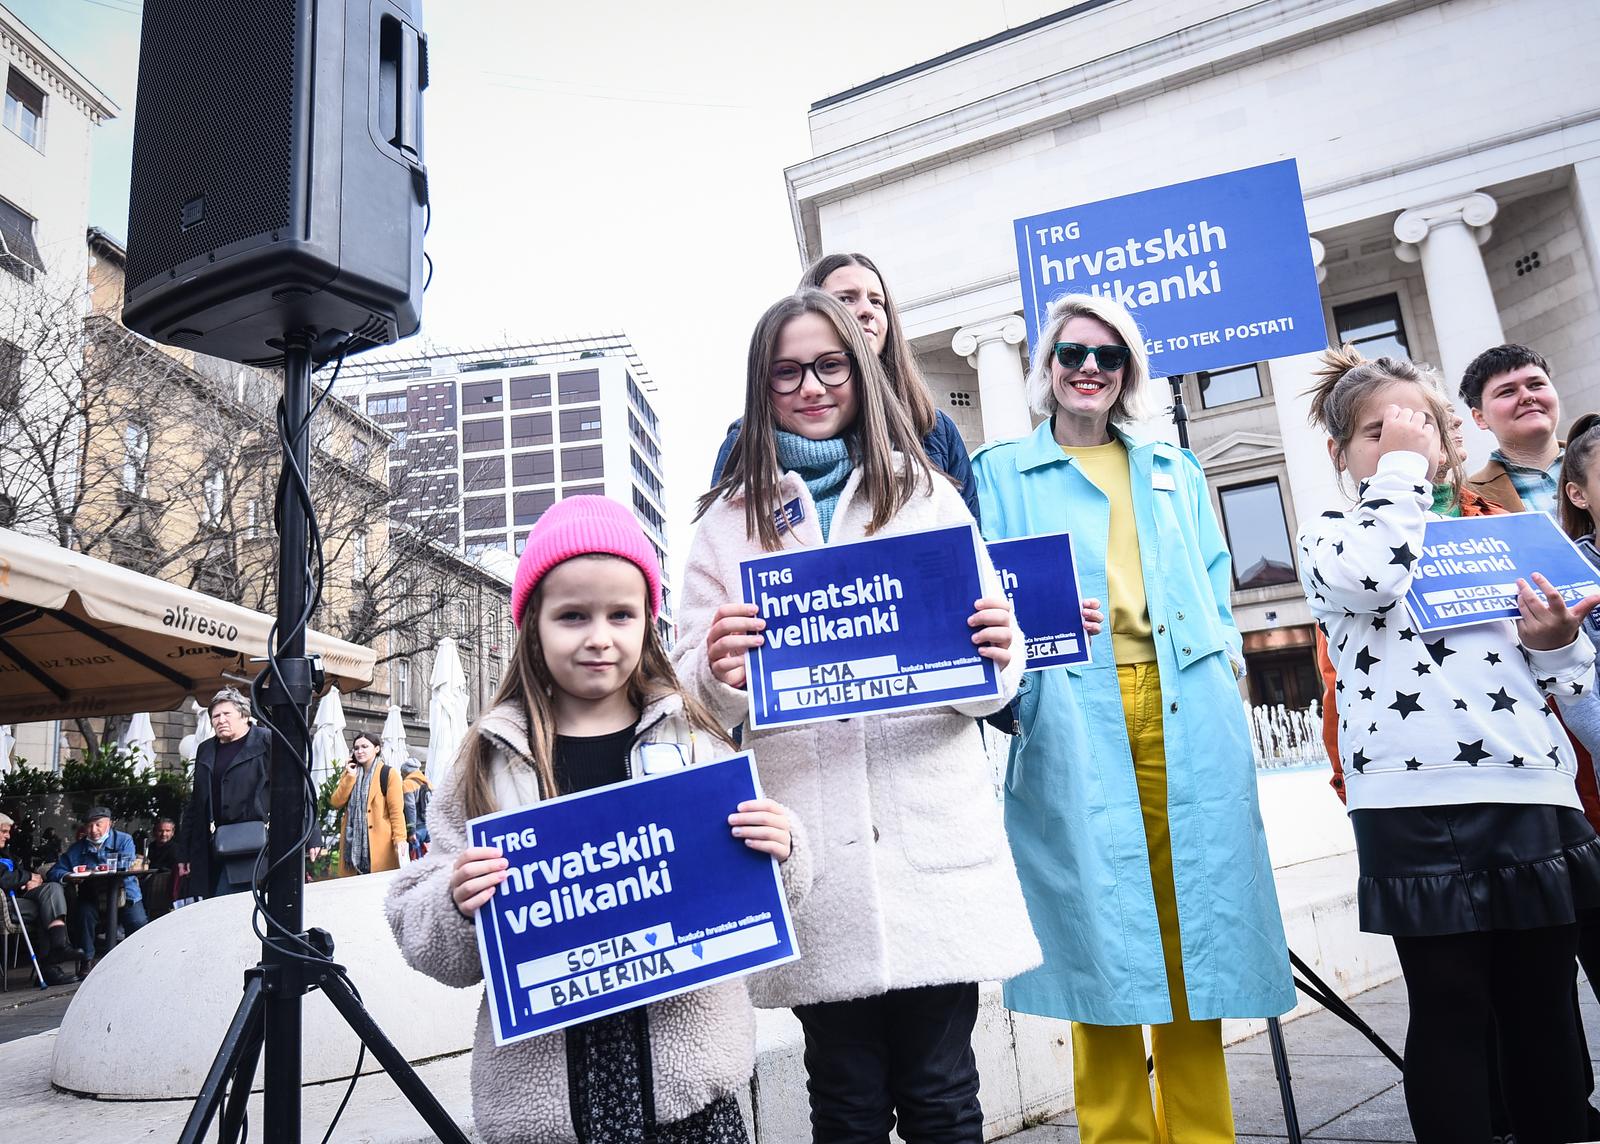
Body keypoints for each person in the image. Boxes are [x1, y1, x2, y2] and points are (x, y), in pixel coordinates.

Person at [678, 289, 1039, 1143]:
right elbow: (692, 701)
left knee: (945, 1093)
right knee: (842, 1099)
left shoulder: (927, 495)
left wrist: (998, 649)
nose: (811, 385)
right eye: (787, 371)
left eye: (829, 365)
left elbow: (991, 685)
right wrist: (720, 671)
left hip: (931, 842)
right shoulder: (725, 525)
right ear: (760, 388)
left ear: (860, 372)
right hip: (815, 854)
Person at [971, 292, 1292, 1144]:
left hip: (1188, 715)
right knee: (1098, 943)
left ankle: (1201, 1135)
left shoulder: (1172, 467)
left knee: (1200, 941)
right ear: (1047, 368)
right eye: (1072, 353)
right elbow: (982, 603)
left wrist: (1226, 661)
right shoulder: (999, 472)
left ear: (1128, 373)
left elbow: (1216, 585)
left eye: (1108, 357)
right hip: (1075, 714)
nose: (1088, 369)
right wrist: (1028, 686)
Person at [385, 494, 802, 1143]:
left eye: (621, 614)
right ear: (533, 625)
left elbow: (766, 888)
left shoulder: (696, 739)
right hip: (550, 1113)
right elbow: (424, 931)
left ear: (648, 623)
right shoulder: (486, 760)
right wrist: (455, 902)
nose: (599, 636)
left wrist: (783, 848)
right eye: (572, 615)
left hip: (690, 1106)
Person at [1299, 344, 1600, 1143]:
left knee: (1542, 1007)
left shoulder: (1502, 531)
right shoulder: (1331, 534)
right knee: (1452, 1007)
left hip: (1531, 788)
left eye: (1420, 426)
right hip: (1412, 805)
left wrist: (1558, 640)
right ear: (1341, 455)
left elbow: (1568, 680)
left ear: (1450, 439)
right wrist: (1400, 474)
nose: (1403, 441)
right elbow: (1371, 579)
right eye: (1378, 431)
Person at [709, 252, 980, 520]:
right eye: (846, 299)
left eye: (877, 301)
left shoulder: (932, 428)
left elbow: (969, 544)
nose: (866, 311)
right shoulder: (748, 439)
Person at [177, 688, 273, 897]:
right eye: (215, 716)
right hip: (214, 847)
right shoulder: (206, 749)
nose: (220, 720)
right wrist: (184, 852)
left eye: (226, 714)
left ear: (245, 715)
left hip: (256, 846)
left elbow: (292, 790)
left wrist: (311, 837)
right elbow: (197, 803)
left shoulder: (266, 740)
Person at [1459, 343, 1564, 515]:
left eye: (1536, 384)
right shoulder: (1465, 500)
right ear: (1480, 417)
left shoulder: (1593, 458)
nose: (1528, 396)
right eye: (1507, 392)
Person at [48, 807, 147, 978]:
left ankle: (139, 960)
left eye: (98, 825)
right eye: (89, 825)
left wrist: (95, 867)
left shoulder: (124, 840)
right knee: (83, 915)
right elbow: (54, 872)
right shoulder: (77, 849)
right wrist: (68, 876)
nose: (94, 830)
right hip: (92, 896)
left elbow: (126, 864)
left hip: (125, 893)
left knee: (138, 923)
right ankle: (87, 961)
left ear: (109, 823)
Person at [0, 812, 76, 984]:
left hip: (19, 898)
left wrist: (33, 878)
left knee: (53, 888)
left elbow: (18, 872)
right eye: (4, 831)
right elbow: (3, 879)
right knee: (46, 908)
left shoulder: (5, 853)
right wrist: (27, 877)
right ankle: (51, 963)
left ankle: (58, 946)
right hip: (5, 903)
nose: (8, 835)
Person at [330, 732, 407, 876]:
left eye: (365, 746)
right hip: (352, 845)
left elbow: (396, 812)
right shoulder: (350, 773)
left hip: (380, 846)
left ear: (376, 749)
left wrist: (400, 839)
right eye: (356, 748)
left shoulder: (388, 774)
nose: (359, 751)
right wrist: (350, 777)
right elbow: (336, 802)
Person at [142, 816, 181, 918]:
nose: (164, 834)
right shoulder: (150, 848)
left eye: (167, 831)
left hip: (163, 889)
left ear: (172, 832)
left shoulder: (176, 849)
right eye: (161, 831)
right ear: (155, 832)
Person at [400, 757, 432, 858]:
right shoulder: (427, 782)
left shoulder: (408, 784)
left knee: (415, 860)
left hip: (416, 828)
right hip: (428, 826)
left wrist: (411, 831)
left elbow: (410, 809)